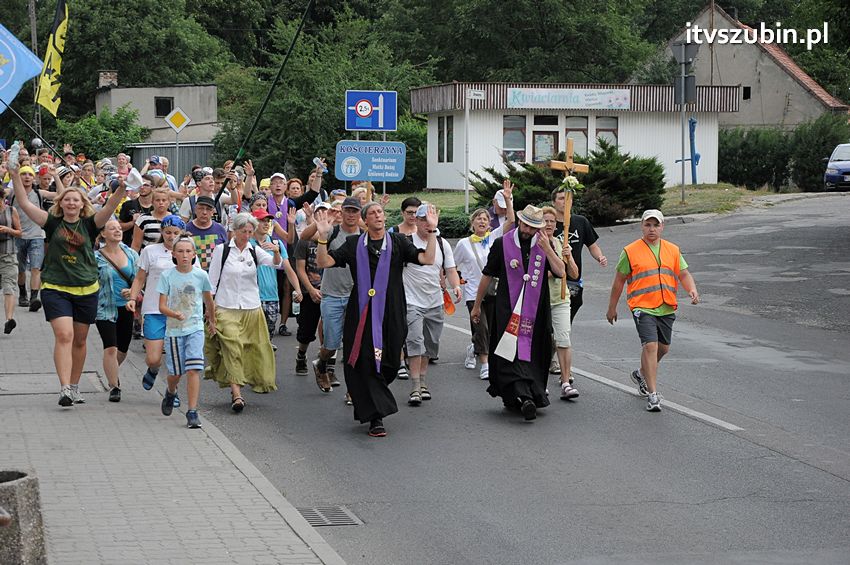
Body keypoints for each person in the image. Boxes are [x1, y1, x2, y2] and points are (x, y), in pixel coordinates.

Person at [9, 160, 127, 406]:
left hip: (86, 288)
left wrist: (122, 189)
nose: (71, 203)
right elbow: (24, 203)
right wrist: (14, 175)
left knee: (80, 340)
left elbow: (110, 206)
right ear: (60, 204)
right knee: (64, 335)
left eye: (76, 200)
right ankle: (64, 388)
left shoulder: (90, 224)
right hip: (56, 287)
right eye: (67, 199)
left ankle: (74, 386)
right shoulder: (51, 223)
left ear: (82, 204)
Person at [315, 202, 437, 437]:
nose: (378, 215)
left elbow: (428, 259)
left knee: (390, 361)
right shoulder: (353, 244)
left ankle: (375, 396)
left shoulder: (399, 241)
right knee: (366, 362)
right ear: (365, 221)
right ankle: (375, 417)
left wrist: (431, 231)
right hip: (360, 312)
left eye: (380, 212)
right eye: (372, 213)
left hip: (392, 310)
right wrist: (322, 238)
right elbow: (324, 262)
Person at [470, 205, 565, 421]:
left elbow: (560, 271)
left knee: (534, 350)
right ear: (520, 221)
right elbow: (487, 276)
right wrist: (477, 305)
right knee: (509, 351)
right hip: (507, 308)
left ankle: (529, 394)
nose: (528, 231)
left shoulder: (544, 244)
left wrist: (548, 249)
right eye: (525, 225)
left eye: (533, 228)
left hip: (536, 310)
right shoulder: (502, 243)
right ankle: (522, 395)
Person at [606, 209, 699, 412]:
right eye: (648, 225)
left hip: (666, 306)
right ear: (642, 226)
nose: (652, 229)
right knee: (651, 347)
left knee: (663, 349)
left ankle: (641, 373)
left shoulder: (672, 250)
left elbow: (683, 274)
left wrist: (691, 289)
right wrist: (612, 307)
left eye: (656, 225)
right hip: (642, 306)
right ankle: (653, 394)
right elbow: (619, 282)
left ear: (662, 227)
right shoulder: (630, 251)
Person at [206, 212, 286, 412]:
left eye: (250, 231)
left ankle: (246, 382)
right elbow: (212, 282)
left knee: (252, 349)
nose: (247, 235)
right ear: (235, 231)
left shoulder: (254, 251)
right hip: (226, 307)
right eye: (244, 231)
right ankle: (237, 394)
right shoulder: (221, 250)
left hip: (251, 308)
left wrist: (276, 251)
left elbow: (276, 264)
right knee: (232, 348)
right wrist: (210, 311)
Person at [300, 197, 362, 400]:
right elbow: (304, 237)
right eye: (348, 211)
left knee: (355, 345)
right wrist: (319, 224)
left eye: (355, 211)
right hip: (333, 295)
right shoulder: (332, 230)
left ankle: (352, 389)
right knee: (332, 344)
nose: (351, 215)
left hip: (356, 296)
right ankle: (321, 362)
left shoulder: (364, 233)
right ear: (341, 212)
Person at [453, 181, 514, 380]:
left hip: (493, 290)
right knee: (481, 327)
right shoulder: (463, 244)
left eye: (485, 219)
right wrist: (456, 283)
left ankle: (474, 348)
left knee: (491, 328)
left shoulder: (494, 237)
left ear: (489, 223)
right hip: (473, 292)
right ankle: (486, 364)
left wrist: (507, 199)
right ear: (472, 223)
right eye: (478, 219)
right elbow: (453, 265)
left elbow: (511, 221)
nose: (481, 222)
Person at [402, 203, 462, 406]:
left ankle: (423, 380)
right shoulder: (407, 242)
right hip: (411, 302)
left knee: (429, 344)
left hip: (434, 302)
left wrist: (455, 286)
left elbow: (451, 269)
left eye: (431, 220)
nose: (427, 224)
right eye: (423, 219)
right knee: (415, 342)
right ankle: (415, 385)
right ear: (416, 221)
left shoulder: (443, 244)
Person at [127, 215, 186, 408]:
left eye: (176, 233)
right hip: (153, 309)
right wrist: (133, 298)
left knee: (175, 359)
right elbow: (139, 278)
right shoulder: (151, 251)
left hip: (178, 313)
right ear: (162, 232)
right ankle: (153, 370)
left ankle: (172, 392)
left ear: (181, 234)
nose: (171, 236)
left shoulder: (186, 251)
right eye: (168, 232)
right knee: (153, 358)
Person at [157, 237, 216, 428]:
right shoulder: (167, 276)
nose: (184, 255)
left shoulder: (201, 276)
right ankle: (171, 391)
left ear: (194, 255)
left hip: (195, 328)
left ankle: (192, 412)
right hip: (174, 330)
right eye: (180, 251)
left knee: (193, 369)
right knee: (175, 372)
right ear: (173, 254)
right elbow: (161, 306)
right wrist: (174, 313)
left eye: (188, 251)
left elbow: (209, 301)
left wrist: (212, 321)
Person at [551, 182, 607, 381]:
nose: (564, 202)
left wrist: (599, 257)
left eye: (568, 199)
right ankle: (555, 360)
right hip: (552, 283)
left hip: (574, 283)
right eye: (560, 198)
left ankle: (555, 358)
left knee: (565, 325)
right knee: (554, 326)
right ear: (553, 201)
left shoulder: (580, 222)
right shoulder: (549, 224)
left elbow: (592, 245)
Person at [94, 219, 140, 402]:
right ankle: (114, 386)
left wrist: (133, 292)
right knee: (110, 347)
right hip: (104, 307)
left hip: (127, 307)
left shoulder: (131, 254)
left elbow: (140, 279)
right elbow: (90, 282)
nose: (117, 231)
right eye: (112, 228)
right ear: (103, 234)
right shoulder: (96, 257)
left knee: (123, 349)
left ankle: (110, 368)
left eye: (119, 228)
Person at [541, 206, 580, 400]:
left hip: (560, 299)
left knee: (563, 339)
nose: (548, 224)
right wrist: (556, 269)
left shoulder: (560, 243)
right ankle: (539, 383)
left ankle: (565, 381)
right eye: (545, 220)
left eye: (552, 221)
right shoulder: (534, 244)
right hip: (539, 300)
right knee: (541, 343)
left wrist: (569, 256)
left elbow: (573, 274)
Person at [248, 209, 301, 352]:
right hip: (251, 297)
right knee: (252, 338)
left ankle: (265, 352)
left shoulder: (276, 243)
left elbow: (288, 269)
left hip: (271, 296)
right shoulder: (246, 243)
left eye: (268, 221)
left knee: (268, 334)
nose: (266, 224)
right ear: (253, 223)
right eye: (261, 221)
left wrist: (298, 289)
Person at [10, 165, 55, 311]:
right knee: (21, 270)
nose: (27, 177)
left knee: (36, 268)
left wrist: (58, 177)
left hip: (37, 236)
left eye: (30, 174)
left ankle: (34, 297)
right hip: (17, 236)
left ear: (34, 177)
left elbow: (60, 195)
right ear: (19, 176)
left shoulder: (39, 193)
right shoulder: (11, 193)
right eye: (24, 174)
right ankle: (22, 293)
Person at [184, 195, 228, 271]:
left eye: (208, 209)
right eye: (201, 208)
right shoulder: (186, 229)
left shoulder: (220, 229)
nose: (204, 212)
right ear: (195, 210)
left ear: (213, 212)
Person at [0, 187, 23, 334]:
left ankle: (9, 320)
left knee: (9, 287)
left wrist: (7, 230)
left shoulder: (11, 211)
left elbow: (20, 232)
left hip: (8, 254)